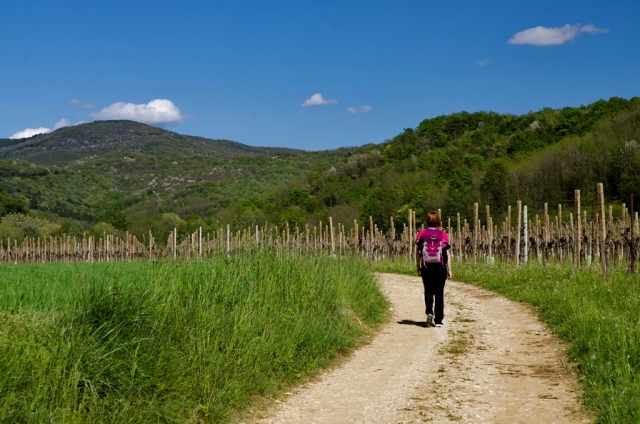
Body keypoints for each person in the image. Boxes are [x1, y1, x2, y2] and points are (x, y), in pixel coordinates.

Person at [416, 211, 452, 327]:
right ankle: (439, 320)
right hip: (440, 266)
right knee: (439, 293)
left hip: (426, 267)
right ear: (438, 221)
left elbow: (418, 252)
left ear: (427, 221)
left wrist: (418, 266)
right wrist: (449, 269)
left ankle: (429, 312)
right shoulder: (443, 234)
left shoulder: (421, 233)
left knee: (428, 291)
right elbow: (447, 253)